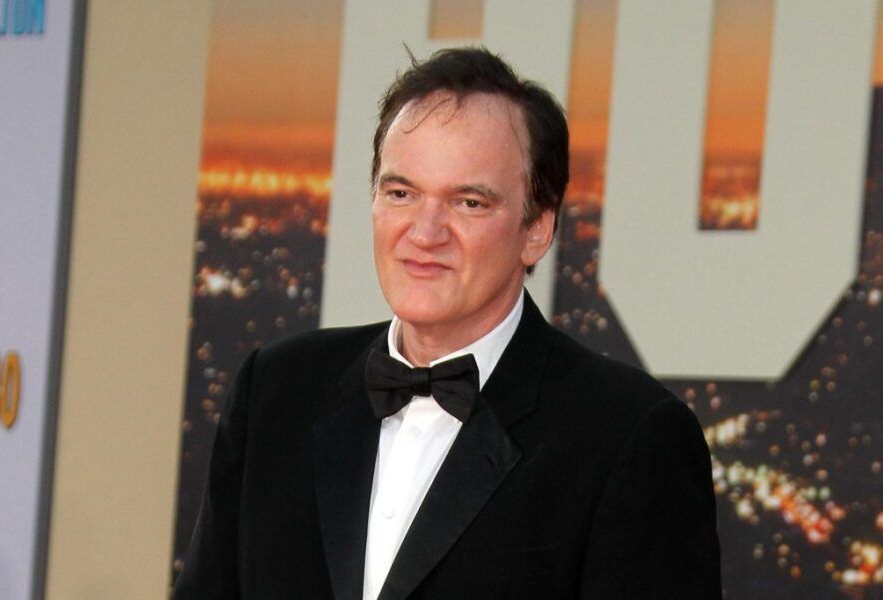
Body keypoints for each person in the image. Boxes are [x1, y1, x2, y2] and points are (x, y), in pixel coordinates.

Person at [174, 47, 721, 600]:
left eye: (468, 203)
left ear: (537, 229)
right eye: (401, 193)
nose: (424, 232)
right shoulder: (275, 391)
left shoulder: (628, 436)